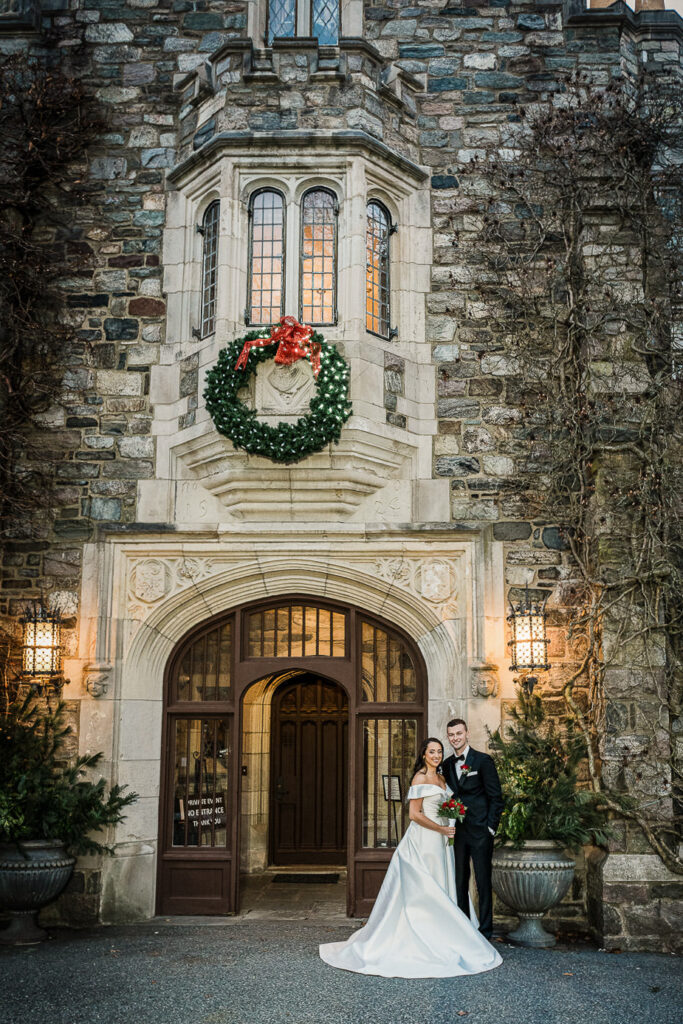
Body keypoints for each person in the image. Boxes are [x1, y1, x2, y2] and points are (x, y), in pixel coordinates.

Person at [319, 738, 502, 978]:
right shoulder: (420, 777)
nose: (436, 755)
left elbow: (450, 804)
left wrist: (451, 823)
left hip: (443, 843)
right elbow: (414, 815)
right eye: (431, 751)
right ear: (424, 754)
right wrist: (441, 829)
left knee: (445, 886)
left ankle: (444, 934)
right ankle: (419, 937)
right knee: (425, 889)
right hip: (425, 841)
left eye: (439, 751)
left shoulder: (443, 777)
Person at [441, 718, 504, 941]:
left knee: (482, 880)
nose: (455, 738)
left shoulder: (483, 761)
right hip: (457, 833)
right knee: (459, 880)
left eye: (459, 733)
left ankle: (485, 931)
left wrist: (490, 828)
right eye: (451, 735)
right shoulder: (446, 765)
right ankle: (463, 929)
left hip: (480, 832)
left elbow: (496, 798)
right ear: (448, 737)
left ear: (467, 734)